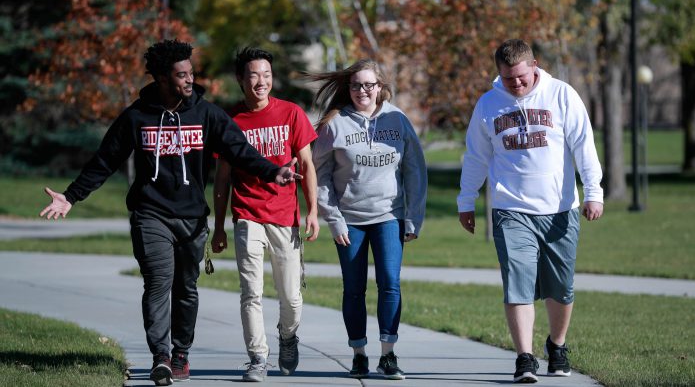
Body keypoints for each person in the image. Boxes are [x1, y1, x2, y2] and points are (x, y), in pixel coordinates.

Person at [39, 39, 302, 387]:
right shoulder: (137, 116)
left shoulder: (206, 114)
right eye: (181, 75)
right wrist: (71, 197)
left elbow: (240, 151)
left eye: (191, 73)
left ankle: (181, 353)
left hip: (192, 218)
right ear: (163, 78)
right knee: (159, 282)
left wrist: (273, 171)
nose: (189, 80)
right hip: (151, 214)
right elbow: (105, 160)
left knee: (186, 288)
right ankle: (161, 357)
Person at [457, 39, 604, 384]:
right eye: (508, 79)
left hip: (559, 209)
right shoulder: (488, 104)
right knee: (517, 283)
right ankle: (524, 358)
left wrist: (593, 193)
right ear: (499, 74)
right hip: (510, 208)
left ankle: (557, 345)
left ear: (534, 65)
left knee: (561, 287)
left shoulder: (562, 95)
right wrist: (466, 201)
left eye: (521, 77)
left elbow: (584, 146)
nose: (516, 84)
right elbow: (476, 157)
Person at [308, 59, 427, 380]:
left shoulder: (397, 119)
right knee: (354, 288)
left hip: (390, 216)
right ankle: (359, 353)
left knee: (390, 283)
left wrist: (413, 217)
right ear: (349, 88)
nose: (362, 91)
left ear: (380, 87)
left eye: (368, 85)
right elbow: (319, 174)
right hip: (350, 220)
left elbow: (415, 170)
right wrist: (333, 218)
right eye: (356, 85)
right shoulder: (335, 124)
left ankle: (388, 355)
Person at [210, 47, 319, 382]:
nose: (261, 81)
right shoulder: (230, 121)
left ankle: (288, 336)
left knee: (291, 297)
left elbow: (306, 164)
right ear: (241, 78)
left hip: (285, 217)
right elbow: (223, 178)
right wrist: (218, 227)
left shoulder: (291, 113)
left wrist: (313, 210)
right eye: (254, 75)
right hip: (246, 215)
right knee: (250, 292)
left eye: (267, 75)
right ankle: (258, 358)